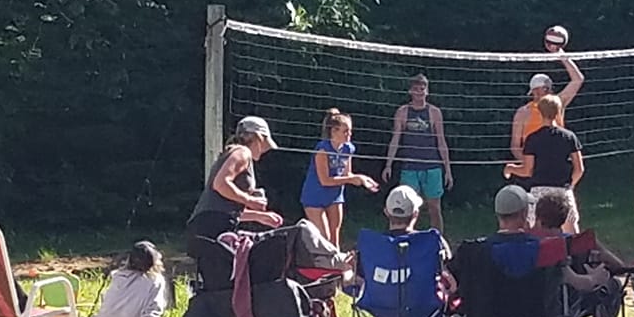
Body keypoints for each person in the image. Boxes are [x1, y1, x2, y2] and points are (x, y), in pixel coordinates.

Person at [533, 190, 626, 317]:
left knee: (554, 297)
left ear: (537, 216)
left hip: (536, 305)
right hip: (576, 302)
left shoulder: (529, 244)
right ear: (566, 217)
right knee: (614, 287)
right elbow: (618, 266)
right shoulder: (579, 242)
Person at [380, 184, 454, 317]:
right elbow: (448, 270)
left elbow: (356, 279)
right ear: (415, 214)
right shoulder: (431, 241)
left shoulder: (373, 245)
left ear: (386, 212)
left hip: (382, 310)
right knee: (443, 295)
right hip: (424, 309)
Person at [188, 116, 287, 252]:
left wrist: (260, 217)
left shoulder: (234, 152)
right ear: (259, 138)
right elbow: (221, 184)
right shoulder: (242, 152)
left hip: (205, 223)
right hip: (213, 224)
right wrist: (251, 200)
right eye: (265, 144)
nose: (265, 150)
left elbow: (227, 208)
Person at [382, 75, 452, 231]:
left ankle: (438, 240)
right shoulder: (403, 112)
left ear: (427, 91)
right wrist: (388, 165)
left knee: (434, 207)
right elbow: (395, 139)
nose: (419, 92)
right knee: (405, 207)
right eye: (416, 89)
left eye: (423, 89)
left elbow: (441, 142)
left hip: (432, 166)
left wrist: (448, 170)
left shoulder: (434, 112)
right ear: (410, 91)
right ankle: (405, 238)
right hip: (410, 166)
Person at [506, 93, 584, 232]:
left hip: (539, 191)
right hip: (562, 190)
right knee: (573, 234)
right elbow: (579, 169)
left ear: (540, 112)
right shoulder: (569, 137)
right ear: (558, 111)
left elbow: (527, 171)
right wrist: (570, 186)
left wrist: (511, 168)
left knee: (533, 232)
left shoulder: (533, 139)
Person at [301, 109, 379, 244]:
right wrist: (352, 179)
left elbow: (347, 173)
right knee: (323, 239)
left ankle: (337, 265)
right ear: (334, 131)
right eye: (345, 131)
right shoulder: (322, 150)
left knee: (334, 237)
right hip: (314, 195)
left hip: (335, 195)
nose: (349, 134)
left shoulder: (349, 148)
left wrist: (362, 179)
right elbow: (324, 180)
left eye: (350, 131)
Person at [510, 52, 585, 165]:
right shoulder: (523, 112)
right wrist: (530, 164)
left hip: (557, 162)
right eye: (540, 90)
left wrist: (560, 54)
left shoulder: (558, 102)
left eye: (547, 89)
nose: (545, 92)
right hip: (533, 165)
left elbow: (578, 79)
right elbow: (515, 147)